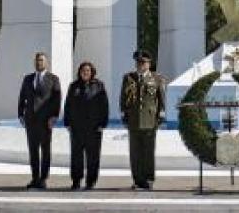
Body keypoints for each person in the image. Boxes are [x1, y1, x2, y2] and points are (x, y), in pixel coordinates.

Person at [120, 49, 165, 190]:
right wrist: (123, 115)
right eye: (138, 62)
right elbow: (123, 98)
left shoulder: (157, 78)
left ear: (149, 64)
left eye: (143, 63)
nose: (140, 65)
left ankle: (148, 179)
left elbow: (161, 99)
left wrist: (161, 116)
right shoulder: (128, 78)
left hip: (150, 120)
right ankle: (137, 180)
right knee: (135, 152)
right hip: (133, 120)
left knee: (148, 152)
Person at [18, 52, 62, 190]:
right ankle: (35, 178)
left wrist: (54, 116)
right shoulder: (28, 78)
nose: (39, 63)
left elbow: (57, 99)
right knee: (33, 151)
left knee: (45, 151)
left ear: (46, 62)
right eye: (37, 60)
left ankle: (43, 179)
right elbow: (22, 97)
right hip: (30, 120)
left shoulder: (53, 79)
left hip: (45, 121)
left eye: (42, 60)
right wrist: (20, 114)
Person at [64, 61, 109, 191]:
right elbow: (68, 105)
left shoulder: (99, 86)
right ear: (80, 72)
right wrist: (67, 122)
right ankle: (76, 180)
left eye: (88, 70)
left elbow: (104, 106)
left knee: (93, 156)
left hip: (94, 128)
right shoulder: (73, 86)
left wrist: (103, 123)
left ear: (92, 72)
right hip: (77, 128)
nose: (85, 72)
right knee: (76, 156)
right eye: (83, 70)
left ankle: (91, 181)